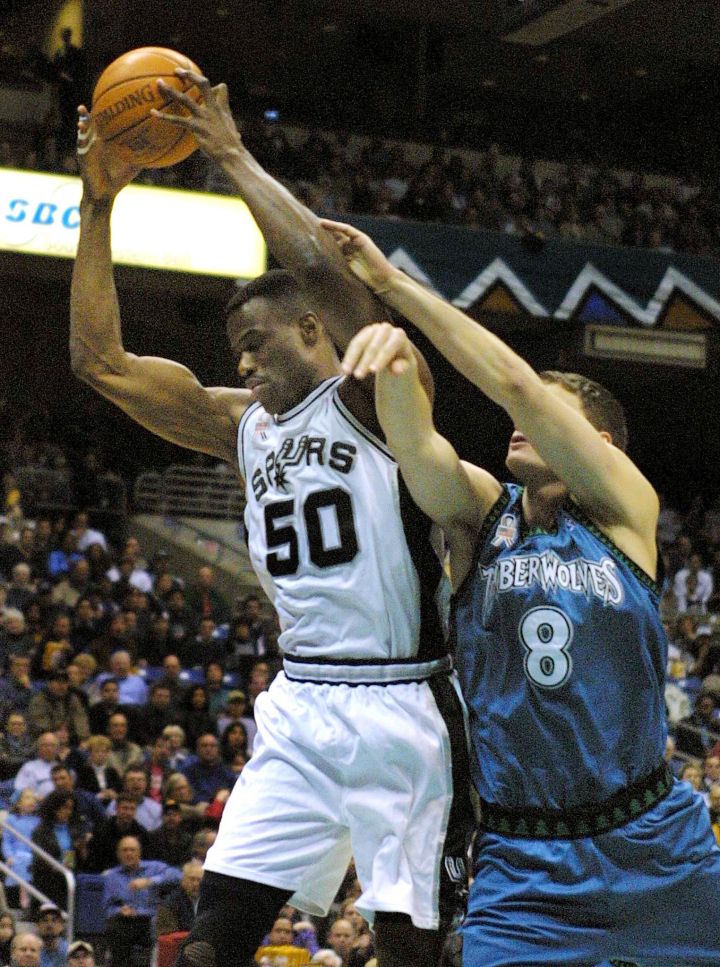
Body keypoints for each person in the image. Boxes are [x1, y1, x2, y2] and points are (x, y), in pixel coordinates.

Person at [71, 71, 471, 967]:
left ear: (312, 332)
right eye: (234, 350)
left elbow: (331, 272)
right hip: (300, 707)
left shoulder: (377, 396)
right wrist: (97, 207)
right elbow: (99, 361)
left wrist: (229, 152)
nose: (244, 360)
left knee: (411, 952)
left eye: (258, 341)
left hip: (403, 702)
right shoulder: (238, 427)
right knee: (211, 945)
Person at [320, 217, 720, 965]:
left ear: (597, 446)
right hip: (522, 859)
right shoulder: (483, 512)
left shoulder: (627, 512)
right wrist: (398, 365)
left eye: (552, 412)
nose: (521, 419)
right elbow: (417, 446)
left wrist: (394, 284)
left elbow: (516, 384)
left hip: (656, 848)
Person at [102, 835, 182, 967]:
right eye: (125, 850)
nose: (129, 853)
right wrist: (119, 910)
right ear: (118, 854)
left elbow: (178, 875)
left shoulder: (153, 867)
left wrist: (150, 881)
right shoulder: (112, 876)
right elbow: (107, 908)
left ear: (139, 852)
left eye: (132, 850)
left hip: (151, 918)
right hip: (127, 921)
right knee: (115, 926)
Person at [156, 860, 204, 936]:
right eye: (192, 879)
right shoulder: (170, 904)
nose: (195, 884)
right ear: (183, 880)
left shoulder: (211, 901)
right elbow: (168, 934)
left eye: (199, 880)